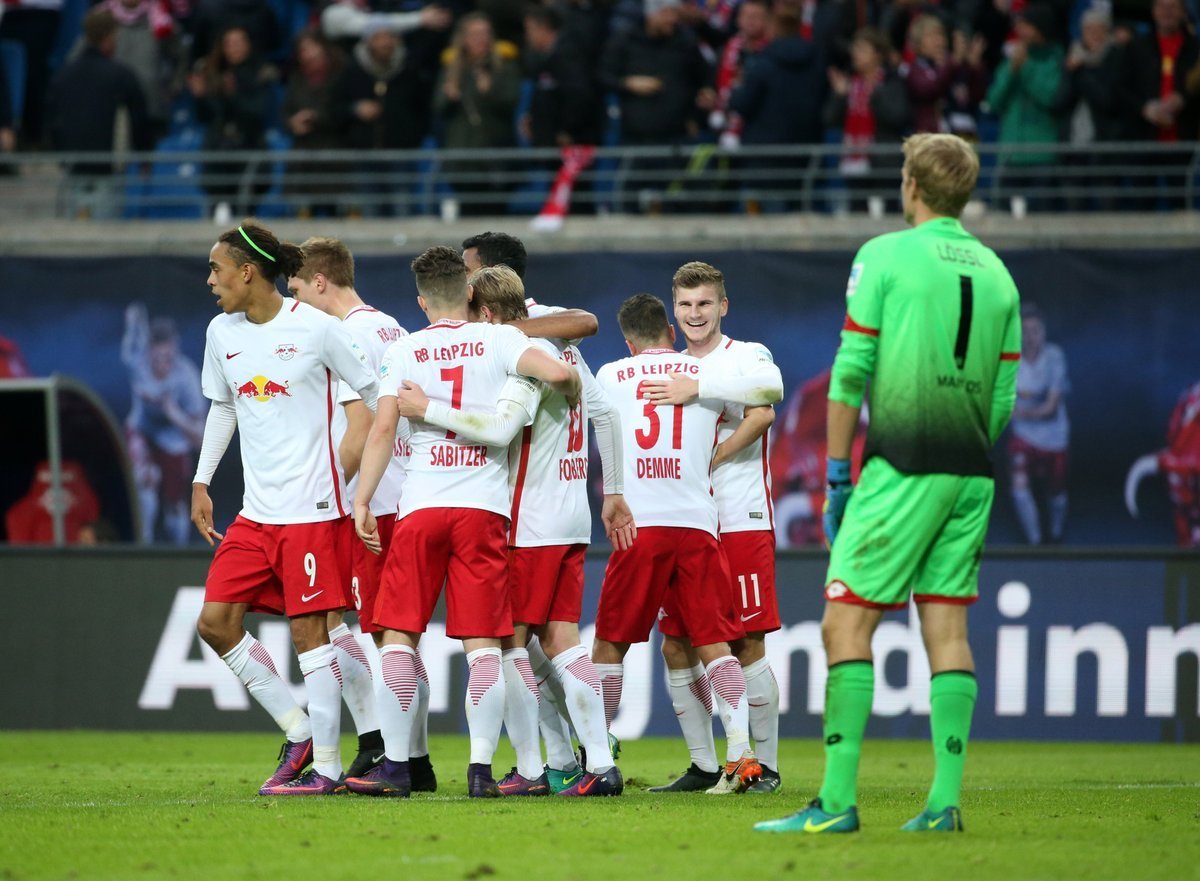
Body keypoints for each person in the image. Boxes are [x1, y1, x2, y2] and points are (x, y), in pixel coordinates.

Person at [754, 133, 1021, 834]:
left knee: (846, 621)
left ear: (912, 186)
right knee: (948, 626)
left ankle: (835, 803)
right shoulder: (999, 275)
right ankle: (943, 804)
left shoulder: (885, 254)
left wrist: (840, 474)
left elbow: (850, 374)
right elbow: (1003, 399)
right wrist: (963, 447)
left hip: (902, 465)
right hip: (971, 471)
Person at [344, 246, 581, 799]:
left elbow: (382, 432)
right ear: (470, 293)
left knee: (398, 637)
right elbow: (558, 372)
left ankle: (396, 767)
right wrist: (570, 390)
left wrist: (362, 501)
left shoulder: (404, 349)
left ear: (421, 301)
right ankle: (479, 772)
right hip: (482, 510)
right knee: (485, 647)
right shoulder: (500, 339)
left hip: (422, 506)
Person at [190, 220, 381, 796]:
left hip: (313, 510)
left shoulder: (318, 329)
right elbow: (224, 407)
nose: (210, 281)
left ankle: (327, 770)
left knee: (310, 635)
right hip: (256, 513)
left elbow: (374, 397)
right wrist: (202, 481)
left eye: (217, 269)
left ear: (247, 272)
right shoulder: (220, 332)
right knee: (215, 623)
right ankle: (300, 732)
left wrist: (360, 486)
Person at [592, 293, 763, 795]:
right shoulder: (702, 375)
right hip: (696, 524)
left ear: (628, 342)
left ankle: (598, 756)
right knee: (713, 642)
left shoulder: (610, 375)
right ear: (671, 331)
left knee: (611, 642)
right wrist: (719, 453)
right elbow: (761, 410)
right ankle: (741, 754)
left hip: (637, 525)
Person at [286, 236, 438, 791]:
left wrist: (328, 493)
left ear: (319, 282)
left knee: (381, 637)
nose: (293, 302)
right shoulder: (389, 326)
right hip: (397, 496)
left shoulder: (345, 336)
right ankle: (398, 751)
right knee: (364, 628)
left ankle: (397, 754)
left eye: (295, 289)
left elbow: (366, 426)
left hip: (372, 503)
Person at [639, 262, 785, 794]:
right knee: (675, 644)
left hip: (740, 517)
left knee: (745, 642)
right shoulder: (669, 367)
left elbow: (765, 407)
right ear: (674, 311)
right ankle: (704, 765)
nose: (695, 313)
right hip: (684, 523)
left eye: (704, 303)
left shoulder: (747, 355)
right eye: (685, 304)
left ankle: (763, 767)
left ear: (723, 306)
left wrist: (712, 456)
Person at [45, 8, 154, 220]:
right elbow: (139, 120)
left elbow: (50, 120)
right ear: (109, 37)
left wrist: (61, 156)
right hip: (109, 170)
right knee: (106, 235)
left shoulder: (63, 76)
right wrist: (144, 157)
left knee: (75, 232)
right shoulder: (121, 76)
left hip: (73, 167)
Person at [120, 305, 205, 545]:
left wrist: (174, 413)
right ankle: (143, 543)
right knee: (146, 481)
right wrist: (134, 319)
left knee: (174, 502)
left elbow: (200, 438)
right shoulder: (137, 362)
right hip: (142, 429)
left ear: (175, 350)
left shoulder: (187, 377)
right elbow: (131, 338)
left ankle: (178, 549)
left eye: (167, 358)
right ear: (149, 351)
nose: (162, 364)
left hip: (173, 436)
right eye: (156, 358)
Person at [984, 4, 1063, 214]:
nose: (1020, 31)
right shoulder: (1013, 59)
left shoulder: (1055, 59)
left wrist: (1026, 68)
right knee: (1001, 215)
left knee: (1042, 218)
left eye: (1026, 26)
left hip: (1042, 154)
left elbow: (1051, 98)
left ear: (1040, 28)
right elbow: (993, 101)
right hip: (1011, 154)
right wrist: (1012, 70)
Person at [1008, 304, 1069, 545]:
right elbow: (1003, 404)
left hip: (1054, 438)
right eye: (1025, 331)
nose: (1030, 337)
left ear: (1043, 332)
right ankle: (1034, 542)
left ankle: (1056, 534)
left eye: (1035, 331)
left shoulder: (1054, 357)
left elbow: (1051, 408)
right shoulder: (1009, 360)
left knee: (1057, 491)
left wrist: (1021, 412)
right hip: (1023, 436)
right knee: (1019, 488)